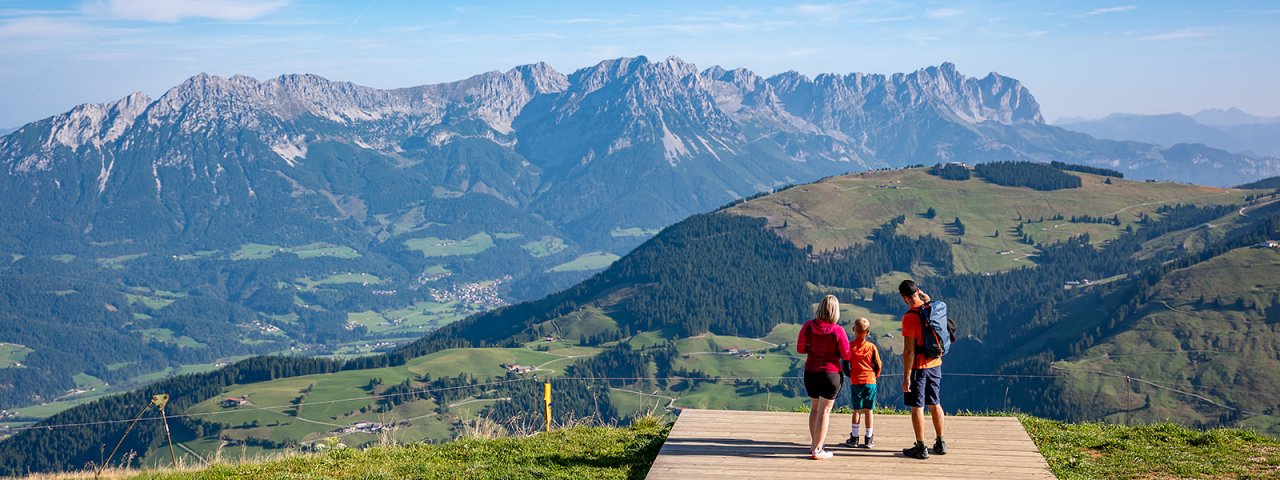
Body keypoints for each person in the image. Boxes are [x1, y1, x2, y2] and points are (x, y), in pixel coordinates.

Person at [797, 295, 851, 460]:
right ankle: (818, 449)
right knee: (825, 412)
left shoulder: (808, 326)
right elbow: (846, 354)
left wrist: (813, 351)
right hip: (831, 373)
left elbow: (800, 349)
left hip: (811, 372)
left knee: (814, 409)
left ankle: (815, 444)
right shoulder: (838, 330)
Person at [898, 279, 946, 460]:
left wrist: (906, 377)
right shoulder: (930, 308)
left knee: (917, 406)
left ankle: (920, 446)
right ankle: (940, 442)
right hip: (936, 363)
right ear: (918, 291)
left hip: (919, 367)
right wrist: (925, 297)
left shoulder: (910, 317)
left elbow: (909, 351)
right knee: (935, 403)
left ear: (903, 297)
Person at [841, 317, 882, 449]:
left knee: (857, 410)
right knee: (869, 410)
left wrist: (850, 375)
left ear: (854, 330)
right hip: (870, 381)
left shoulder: (850, 346)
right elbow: (878, 364)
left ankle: (854, 438)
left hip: (856, 381)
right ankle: (869, 438)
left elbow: (845, 364)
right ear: (868, 332)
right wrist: (874, 376)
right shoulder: (872, 347)